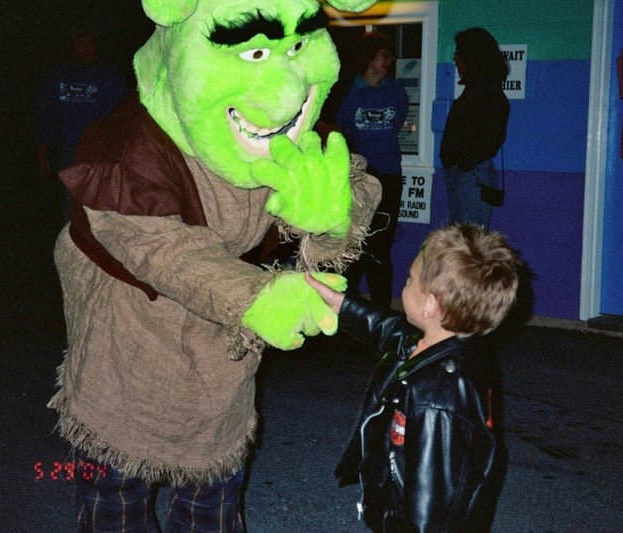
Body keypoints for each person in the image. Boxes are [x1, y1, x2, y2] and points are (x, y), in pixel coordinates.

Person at [47, 1, 380, 531]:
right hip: (128, 340)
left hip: (220, 357)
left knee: (213, 497)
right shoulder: (130, 143)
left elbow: (350, 179)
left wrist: (332, 213)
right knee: (117, 496)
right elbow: (156, 246)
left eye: (296, 48)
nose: (289, 92)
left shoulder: (282, 132)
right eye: (253, 51)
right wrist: (257, 298)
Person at [305, 223, 522, 532]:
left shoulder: (436, 396)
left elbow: (433, 503)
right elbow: (390, 331)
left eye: (410, 279)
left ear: (430, 304)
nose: (404, 285)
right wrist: (342, 304)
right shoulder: (446, 344)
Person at [334, 31, 409, 308]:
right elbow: (340, 132)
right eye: (384, 55)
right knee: (354, 245)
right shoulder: (349, 93)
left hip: (389, 176)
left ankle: (381, 314)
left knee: (381, 247)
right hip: (359, 178)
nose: (390, 60)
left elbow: (397, 123)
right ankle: (349, 312)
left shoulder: (396, 92)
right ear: (369, 58)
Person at [36, 20, 128, 223]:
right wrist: (43, 155)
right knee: (71, 209)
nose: (87, 49)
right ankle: (73, 248)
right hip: (69, 154)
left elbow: (125, 119)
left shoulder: (111, 77)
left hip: (103, 156)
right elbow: (46, 117)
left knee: (104, 211)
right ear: (71, 46)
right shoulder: (57, 78)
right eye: (81, 44)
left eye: (91, 43)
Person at [440, 27, 510, 228]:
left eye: (458, 53)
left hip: (471, 177)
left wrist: (464, 163)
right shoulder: (481, 91)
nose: (455, 58)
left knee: (469, 243)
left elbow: (492, 139)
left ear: (472, 56)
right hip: (468, 175)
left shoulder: (486, 94)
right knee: (467, 239)